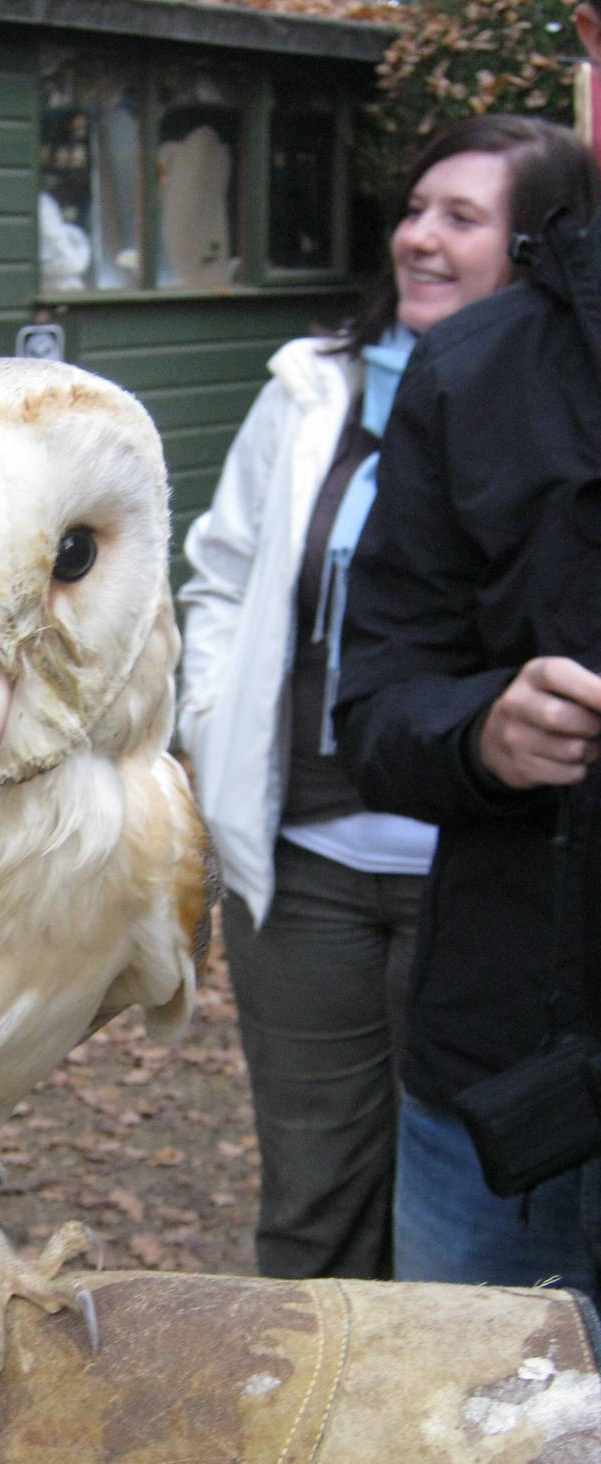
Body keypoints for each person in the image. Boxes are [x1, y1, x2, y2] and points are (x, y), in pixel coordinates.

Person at [175, 113, 601, 1282]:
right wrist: (213, 732)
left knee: (465, 1204)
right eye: (413, 209)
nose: (417, 235)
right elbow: (218, 573)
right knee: (313, 1191)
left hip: (468, 877)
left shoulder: (547, 403)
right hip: (310, 854)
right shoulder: (309, 389)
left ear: (535, 243)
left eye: (461, 217)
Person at [333, 9, 601, 1302]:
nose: (424, 239)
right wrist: (486, 733)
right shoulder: (471, 371)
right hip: (507, 1070)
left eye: (464, 213)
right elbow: (376, 700)